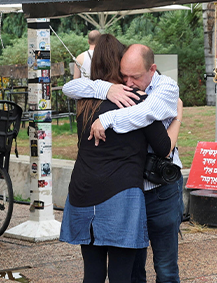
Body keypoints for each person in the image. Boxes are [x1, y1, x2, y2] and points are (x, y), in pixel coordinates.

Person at [60, 34, 182, 283]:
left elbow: (69, 87)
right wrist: (178, 117)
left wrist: (106, 112)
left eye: (134, 76)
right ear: (119, 64)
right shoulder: (131, 97)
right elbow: (163, 147)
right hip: (124, 195)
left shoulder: (85, 104)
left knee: (94, 275)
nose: (129, 81)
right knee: (125, 275)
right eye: (125, 74)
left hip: (93, 192)